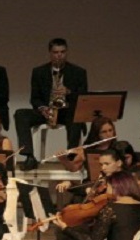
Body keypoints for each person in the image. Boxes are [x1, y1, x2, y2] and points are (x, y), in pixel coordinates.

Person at [15, 38, 88, 171]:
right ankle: (29, 156)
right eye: (55, 52)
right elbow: (34, 98)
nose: (59, 55)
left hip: (67, 112)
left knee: (76, 116)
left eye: (62, 52)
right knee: (20, 114)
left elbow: (84, 98)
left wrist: (69, 92)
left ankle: (71, 157)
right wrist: (43, 108)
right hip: (47, 111)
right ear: (50, 53)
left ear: (67, 52)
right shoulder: (38, 72)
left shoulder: (79, 72)